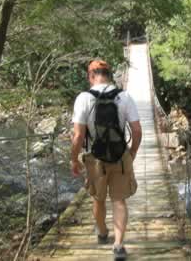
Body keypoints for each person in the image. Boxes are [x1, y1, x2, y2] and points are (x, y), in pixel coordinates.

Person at [71, 59, 142, 260]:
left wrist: (74, 160)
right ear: (109, 75)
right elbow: (136, 130)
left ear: (90, 76)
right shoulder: (124, 96)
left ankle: (103, 233)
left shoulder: (83, 98)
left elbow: (77, 136)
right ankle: (118, 246)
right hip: (120, 156)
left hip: (95, 159)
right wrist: (133, 152)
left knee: (98, 198)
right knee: (119, 200)